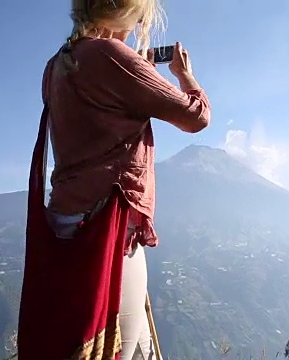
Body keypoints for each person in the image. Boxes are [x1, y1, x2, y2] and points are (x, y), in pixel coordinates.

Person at [17, 0, 211, 359]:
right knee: (120, 349)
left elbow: (94, 107)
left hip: (63, 222)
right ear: (128, 14)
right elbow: (196, 117)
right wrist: (185, 75)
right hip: (108, 230)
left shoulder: (56, 65)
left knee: (114, 344)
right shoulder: (112, 57)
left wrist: (135, 69)